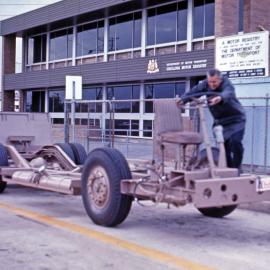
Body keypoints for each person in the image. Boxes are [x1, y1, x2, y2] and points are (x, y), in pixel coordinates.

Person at [177, 68, 246, 171]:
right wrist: (183, 100)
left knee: (235, 142)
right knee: (224, 149)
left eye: (214, 82)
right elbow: (193, 92)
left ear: (220, 80)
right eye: (210, 82)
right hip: (221, 122)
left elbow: (229, 92)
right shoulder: (205, 84)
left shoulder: (226, 83)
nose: (212, 84)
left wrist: (220, 97)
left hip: (236, 120)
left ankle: (237, 168)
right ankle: (229, 170)